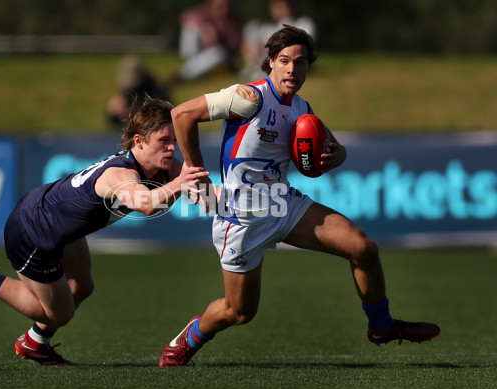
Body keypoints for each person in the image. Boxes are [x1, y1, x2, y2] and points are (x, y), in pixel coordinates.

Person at [158, 25, 440, 367]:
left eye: (301, 62)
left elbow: (332, 148)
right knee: (239, 311)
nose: (293, 68)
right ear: (271, 63)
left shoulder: (303, 107)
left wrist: (341, 154)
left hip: (284, 204)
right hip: (241, 216)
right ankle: (189, 338)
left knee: (363, 248)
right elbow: (181, 114)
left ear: (309, 67)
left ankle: (382, 327)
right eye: (285, 60)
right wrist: (196, 173)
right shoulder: (249, 97)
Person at [0, 97, 209, 366]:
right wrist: (182, 182)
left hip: (54, 220)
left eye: (173, 141)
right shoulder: (121, 175)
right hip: (34, 232)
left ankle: (35, 343)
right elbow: (146, 205)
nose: (172, 148)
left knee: (82, 286)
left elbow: (202, 189)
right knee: (59, 314)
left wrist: (237, 201)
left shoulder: (162, 166)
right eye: (164, 141)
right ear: (139, 141)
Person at [241, 0, 317, 82]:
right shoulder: (268, 27)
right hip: (266, 59)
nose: (276, 10)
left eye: (279, 6)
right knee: (252, 28)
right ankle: (253, 69)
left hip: (289, 60)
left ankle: (261, 72)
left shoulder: (304, 23)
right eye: (274, 6)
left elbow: (304, 47)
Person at [177, 0, 243, 81]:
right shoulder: (205, 12)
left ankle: (186, 74)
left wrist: (215, 40)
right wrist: (204, 28)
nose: (224, 8)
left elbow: (233, 48)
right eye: (220, 6)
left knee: (218, 53)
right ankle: (191, 67)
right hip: (199, 54)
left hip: (219, 56)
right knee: (190, 28)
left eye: (226, 5)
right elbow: (185, 16)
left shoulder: (234, 21)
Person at [106, 55, 170, 126]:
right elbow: (113, 117)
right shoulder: (126, 91)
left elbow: (161, 113)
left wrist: (132, 114)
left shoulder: (154, 90)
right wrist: (113, 111)